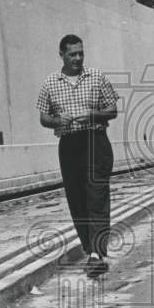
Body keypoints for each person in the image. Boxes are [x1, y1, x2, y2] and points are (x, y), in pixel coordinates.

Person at [36, 34, 119, 277]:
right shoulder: (50, 83)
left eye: (81, 53)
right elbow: (43, 117)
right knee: (77, 200)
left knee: (97, 197)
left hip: (95, 142)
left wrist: (93, 115)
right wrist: (56, 120)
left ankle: (97, 254)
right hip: (69, 145)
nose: (78, 58)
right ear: (61, 55)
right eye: (72, 54)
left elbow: (112, 109)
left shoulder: (97, 77)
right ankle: (90, 247)